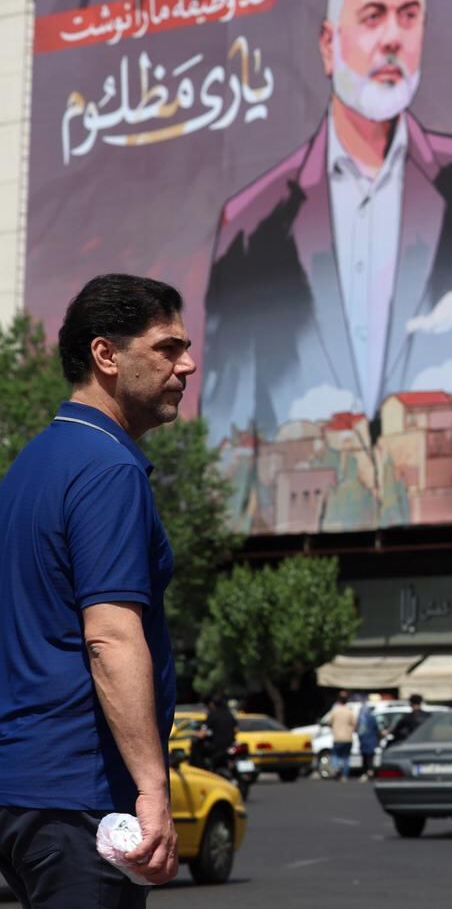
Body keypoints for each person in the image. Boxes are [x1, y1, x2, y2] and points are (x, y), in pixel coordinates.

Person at [202, 0, 452, 455]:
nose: (392, 39)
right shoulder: (253, 221)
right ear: (328, 43)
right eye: (373, 16)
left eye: (408, 16)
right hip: (301, 519)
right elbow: (225, 432)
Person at [0, 274, 196, 902]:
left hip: (21, 790)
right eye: (167, 347)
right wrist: (152, 789)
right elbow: (110, 636)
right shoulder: (108, 469)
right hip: (79, 794)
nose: (187, 364)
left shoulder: (31, 465)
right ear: (105, 355)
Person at [321, 691, 357, 781]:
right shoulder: (349, 711)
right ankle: (344, 775)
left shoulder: (335, 710)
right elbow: (354, 724)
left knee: (336, 755)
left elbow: (329, 722)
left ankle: (336, 769)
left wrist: (334, 728)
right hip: (348, 738)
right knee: (346, 757)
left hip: (337, 737)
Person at [355, 695, 382, 779]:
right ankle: (370, 771)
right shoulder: (372, 718)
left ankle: (365, 773)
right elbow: (377, 728)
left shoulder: (360, 719)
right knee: (370, 758)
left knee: (364, 758)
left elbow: (357, 730)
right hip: (371, 740)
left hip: (363, 741)